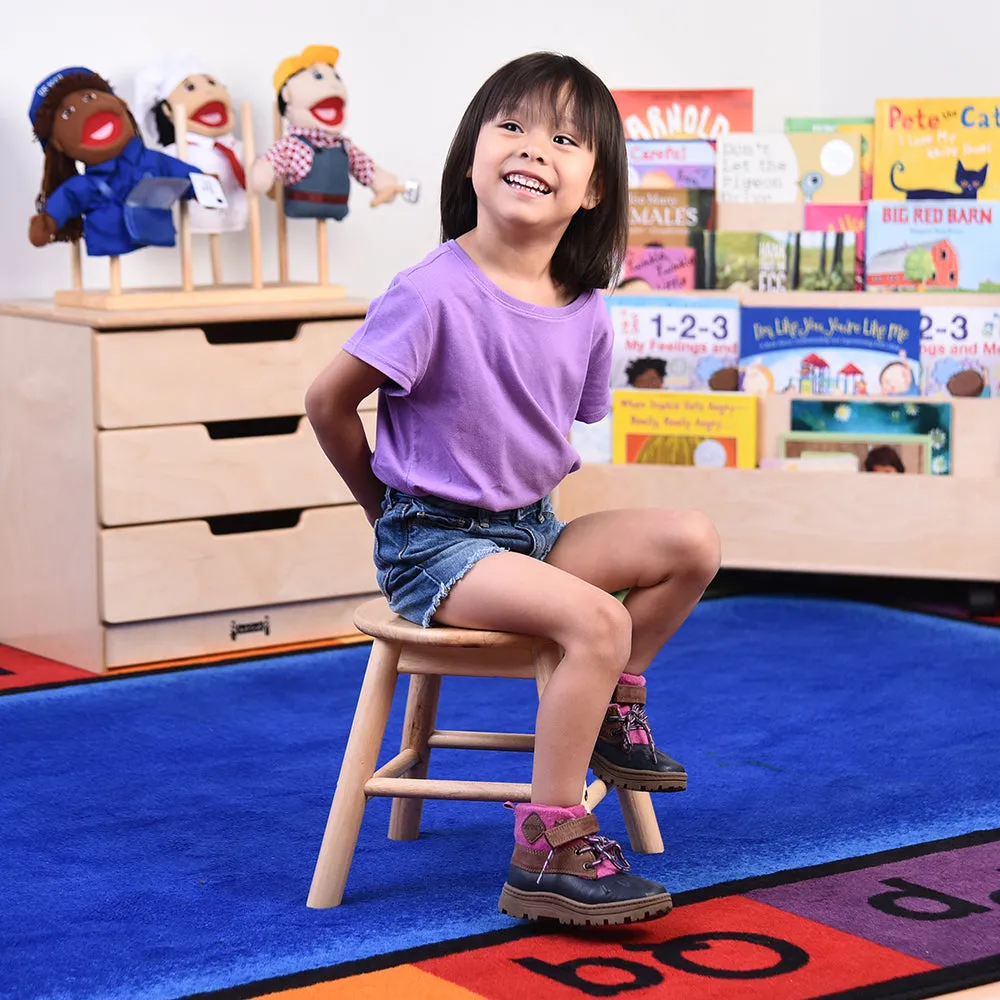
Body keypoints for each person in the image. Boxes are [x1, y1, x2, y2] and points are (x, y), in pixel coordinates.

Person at [304, 51, 721, 927]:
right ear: (472, 156)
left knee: (692, 543)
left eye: (565, 138)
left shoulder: (587, 308)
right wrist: (389, 518)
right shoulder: (431, 292)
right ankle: (550, 843)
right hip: (438, 542)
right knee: (597, 617)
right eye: (514, 126)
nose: (536, 147)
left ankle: (614, 697)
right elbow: (328, 402)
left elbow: (544, 435)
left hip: (531, 529)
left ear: (594, 189)